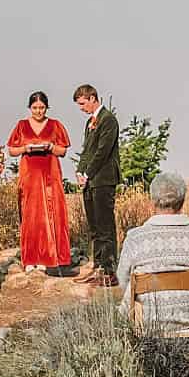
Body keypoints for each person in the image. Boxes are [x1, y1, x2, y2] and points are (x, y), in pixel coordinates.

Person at [117, 172, 189, 334]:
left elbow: (123, 279)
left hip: (147, 319)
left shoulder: (135, 237)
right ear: (182, 201)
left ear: (153, 200)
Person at [6, 91, 72, 272]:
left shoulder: (55, 125)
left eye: (41, 107)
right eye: (35, 108)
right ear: (30, 108)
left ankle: (47, 258)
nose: (38, 111)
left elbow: (63, 151)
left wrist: (50, 147)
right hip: (29, 174)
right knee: (30, 214)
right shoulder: (21, 125)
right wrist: (25, 148)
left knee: (50, 213)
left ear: (46, 107)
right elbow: (11, 149)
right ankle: (30, 259)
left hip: (50, 173)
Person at [73, 84, 121, 287]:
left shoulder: (108, 120)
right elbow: (87, 151)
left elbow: (103, 151)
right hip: (90, 181)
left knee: (105, 227)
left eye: (83, 104)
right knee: (94, 227)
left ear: (92, 98)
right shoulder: (89, 123)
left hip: (104, 179)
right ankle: (98, 266)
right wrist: (79, 172)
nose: (81, 108)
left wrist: (87, 173)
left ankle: (109, 271)